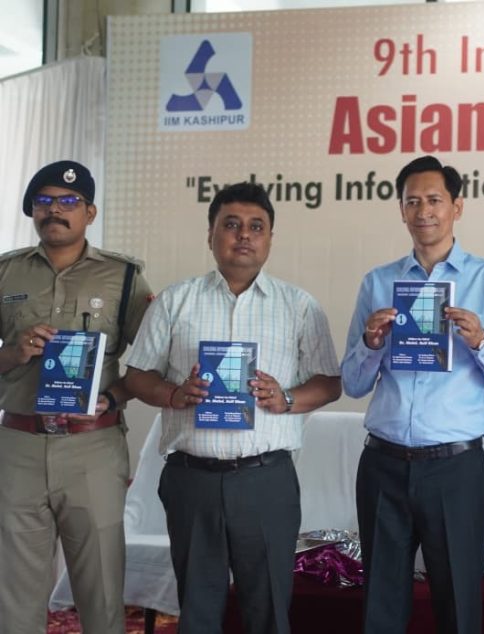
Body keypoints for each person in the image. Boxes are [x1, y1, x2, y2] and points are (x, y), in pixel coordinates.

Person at [123, 182, 342, 634]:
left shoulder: (299, 306)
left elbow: (329, 383)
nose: (244, 235)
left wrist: (286, 399)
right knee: (198, 610)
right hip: (192, 480)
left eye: (256, 227)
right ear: (211, 235)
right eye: (232, 225)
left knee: (267, 611)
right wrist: (173, 394)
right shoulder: (175, 300)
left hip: (265, 480)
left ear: (270, 239)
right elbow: (136, 376)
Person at [341, 155, 484, 634]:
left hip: (456, 467)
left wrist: (481, 342)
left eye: (434, 200)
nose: (423, 211)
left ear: (456, 207)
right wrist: (371, 344)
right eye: (412, 202)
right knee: (380, 606)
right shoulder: (378, 282)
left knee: (458, 605)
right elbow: (353, 384)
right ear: (401, 211)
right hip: (383, 464)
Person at [0, 160, 153, 634]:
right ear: (32, 211)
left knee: (101, 591)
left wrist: (115, 396)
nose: (55, 210)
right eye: (44, 201)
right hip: (19, 444)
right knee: (14, 595)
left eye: (68, 201)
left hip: (92, 447)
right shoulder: (6, 273)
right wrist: (13, 352)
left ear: (89, 212)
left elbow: (152, 362)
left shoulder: (123, 277)